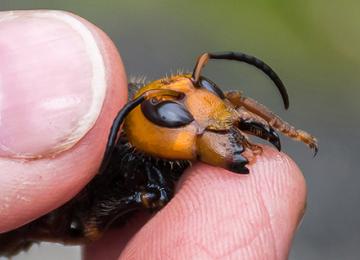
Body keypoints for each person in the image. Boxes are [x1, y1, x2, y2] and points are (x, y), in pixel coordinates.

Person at [0, 10, 306, 259]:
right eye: (174, 116)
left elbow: (235, 98)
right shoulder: (123, 157)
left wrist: (284, 128)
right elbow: (87, 226)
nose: (211, 118)